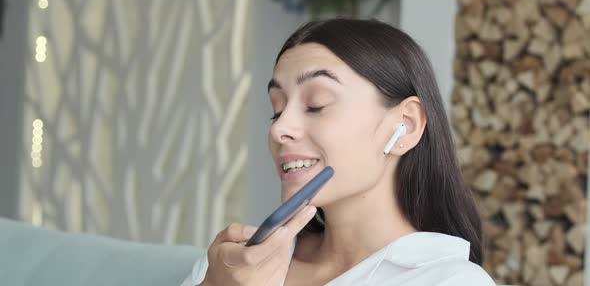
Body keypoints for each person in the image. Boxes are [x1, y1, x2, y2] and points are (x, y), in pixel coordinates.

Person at [181, 18, 496, 285]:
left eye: (316, 104)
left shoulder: (449, 280)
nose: (279, 129)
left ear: (406, 126)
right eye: (276, 110)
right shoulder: (233, 266)